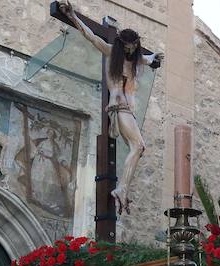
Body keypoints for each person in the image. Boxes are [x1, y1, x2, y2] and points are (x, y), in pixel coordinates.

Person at [60, 0, 163, 215]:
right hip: (119, 108)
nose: (130, 51)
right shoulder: (109, 51)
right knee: (139, 146)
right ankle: (121, 189)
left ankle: (122, 189)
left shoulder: (136, 60)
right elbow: (90, 35)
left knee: (139, 148)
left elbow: (149, 58)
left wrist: (156, 57)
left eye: (133, 47)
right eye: (127, 47)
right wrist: (72, 16)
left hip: (128, 110)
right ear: (120, 45)